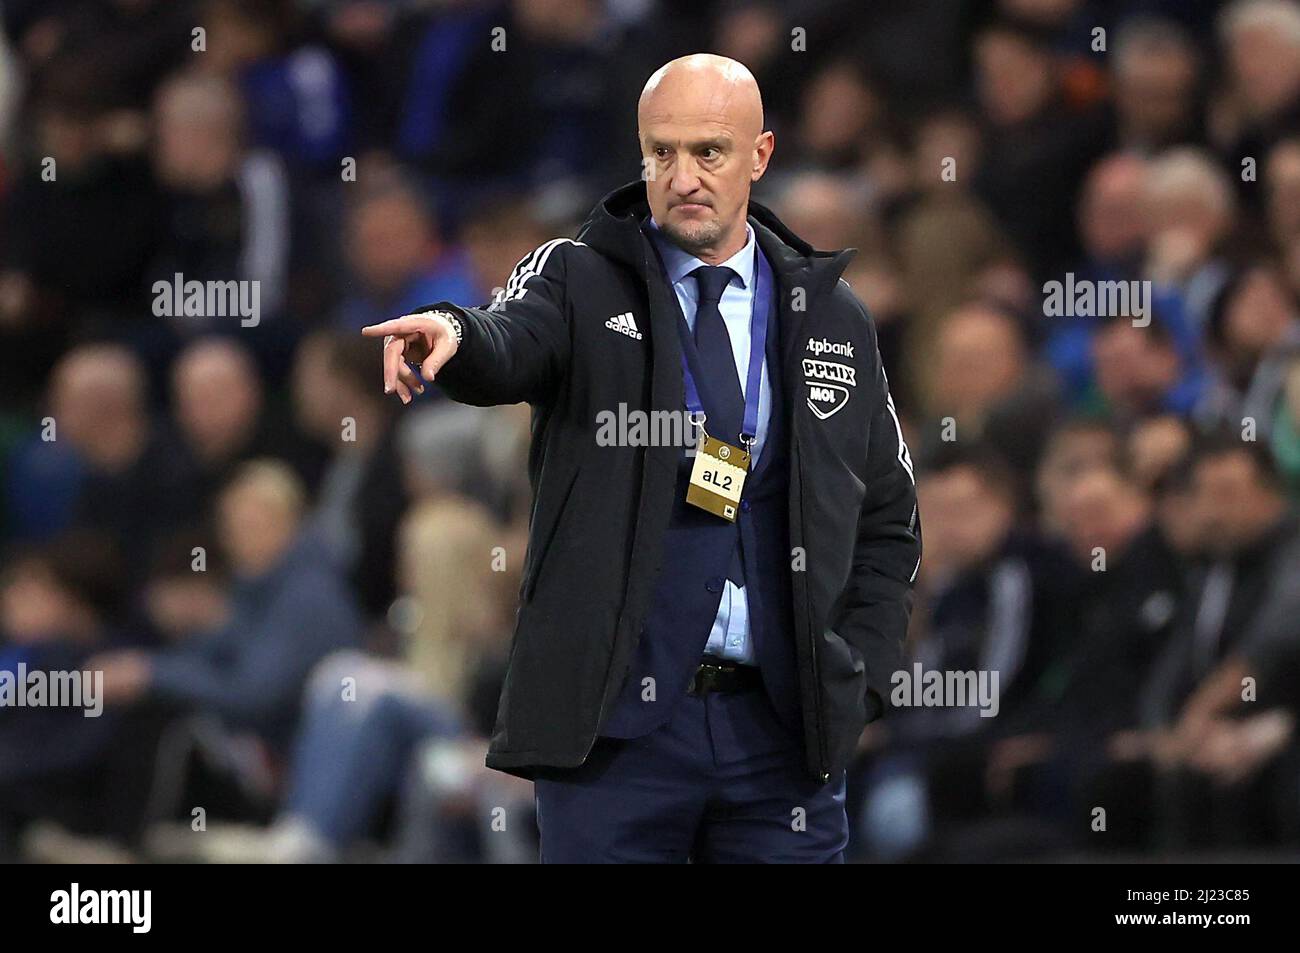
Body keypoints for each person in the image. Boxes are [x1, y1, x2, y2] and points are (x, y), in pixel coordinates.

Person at [362, 54, 921, 863]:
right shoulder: (580, 278)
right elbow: (511, 338)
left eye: (709, 151)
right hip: (616, 739)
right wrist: (458, 330)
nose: (683, 175)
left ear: (760, 156)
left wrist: (856, 678)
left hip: (782, 740)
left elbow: (889, 519)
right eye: (662, 152)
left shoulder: (831, 316)